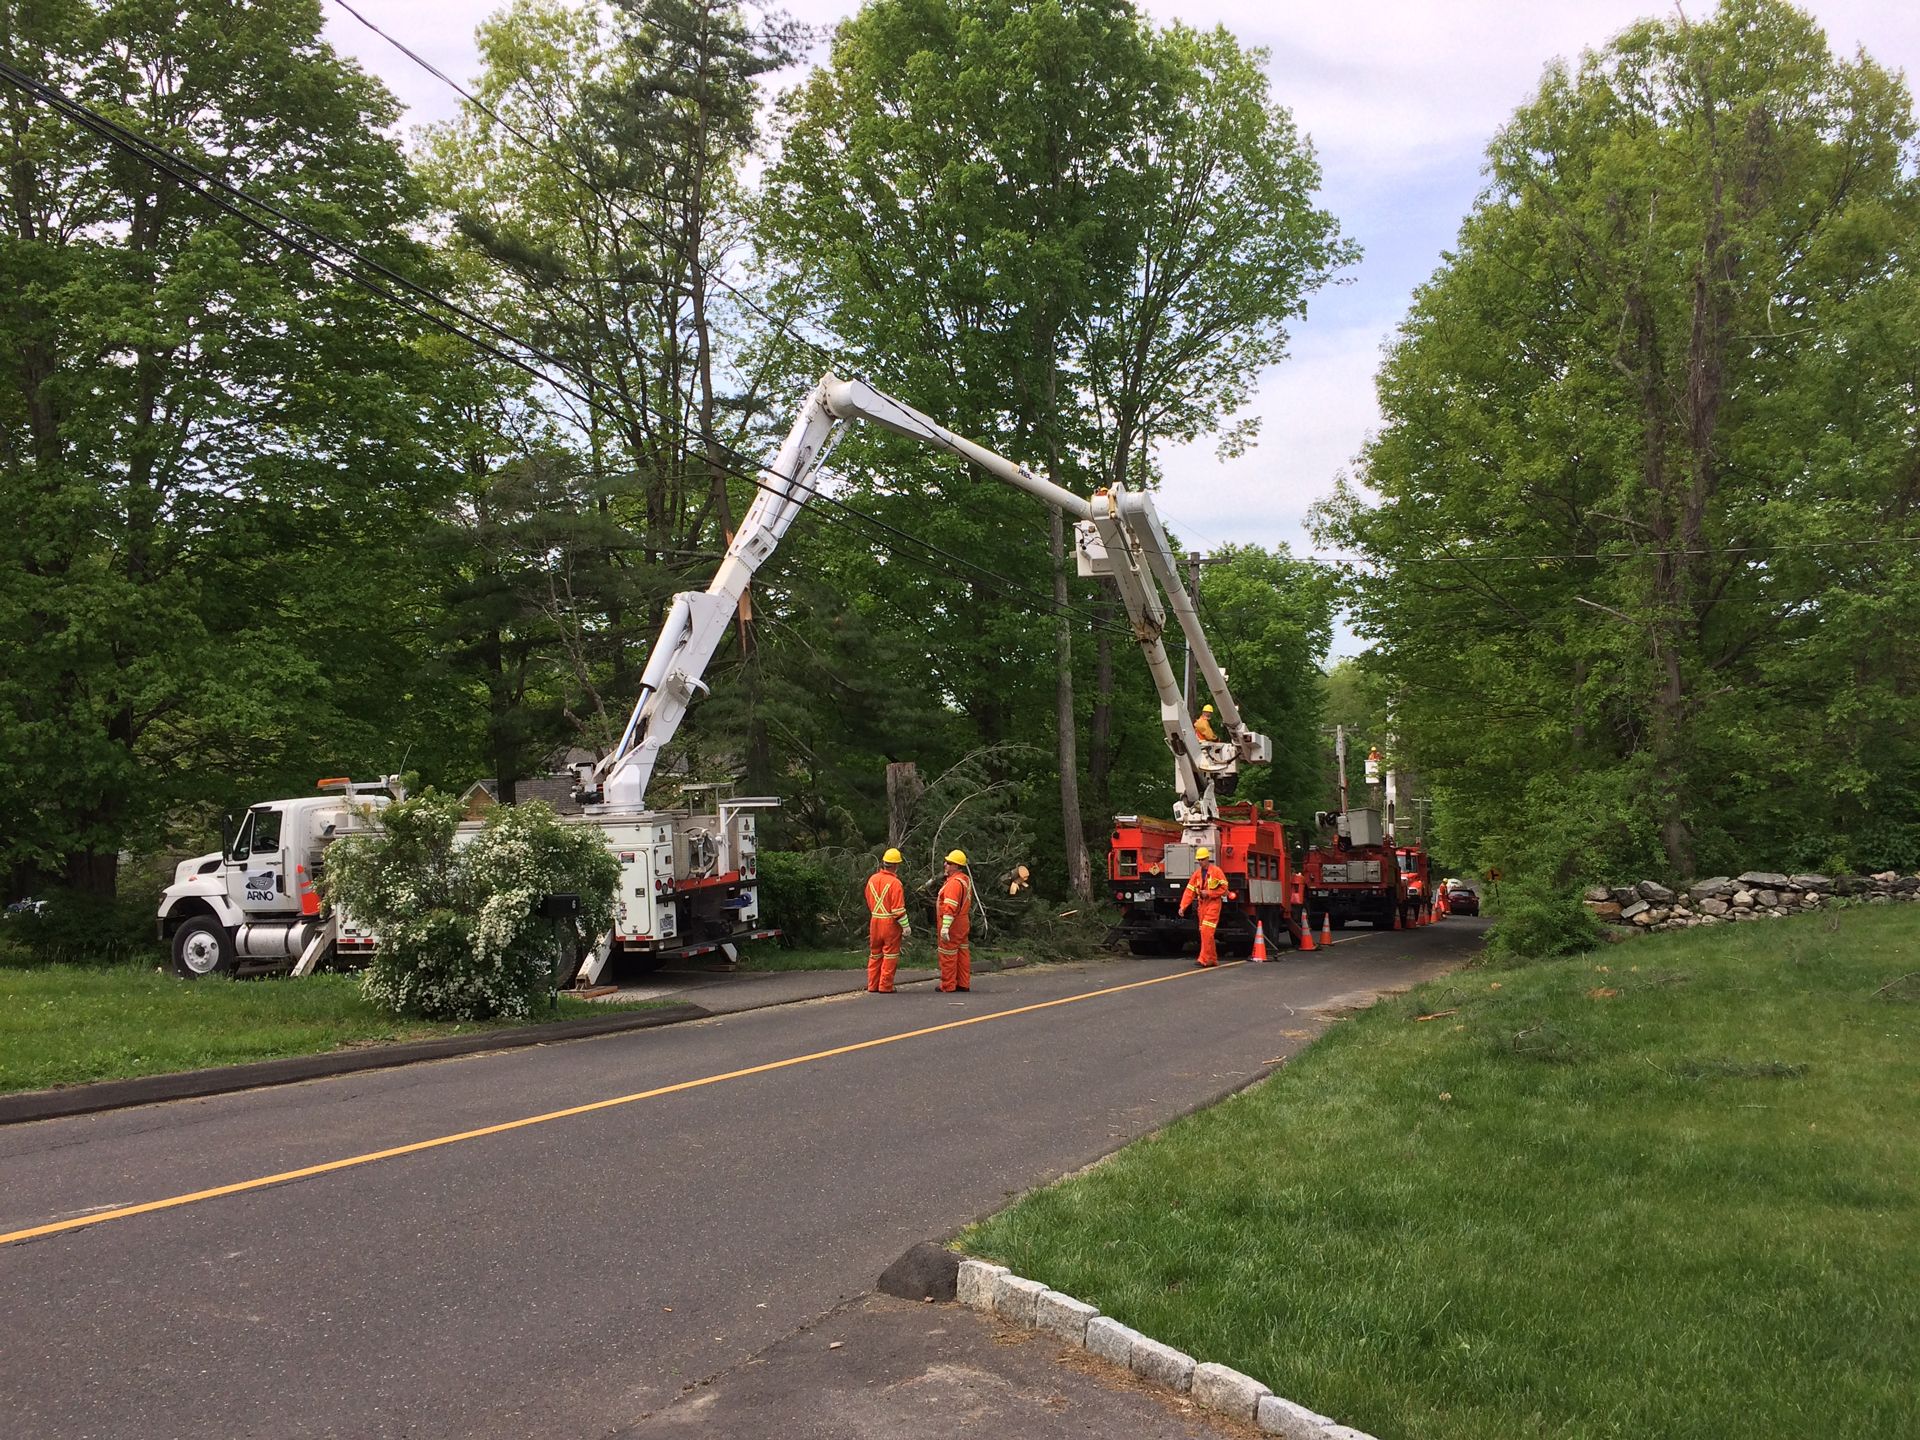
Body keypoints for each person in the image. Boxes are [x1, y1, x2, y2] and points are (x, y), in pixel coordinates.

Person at [864, 847, 909, 993]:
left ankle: (872, 985)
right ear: (896, 865)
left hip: (875, 920)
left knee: (875, 954)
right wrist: (906, 926)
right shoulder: (895, 883)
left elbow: (868, 899)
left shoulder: (872, 879)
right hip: (889, 924)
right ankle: (885, 986)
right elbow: (898, 910)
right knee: (890, 955)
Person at [1178, 845, 1231, 967]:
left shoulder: (1216, 871)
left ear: (1207, 858)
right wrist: (1183, 906)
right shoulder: (1197, 874)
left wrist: (1209, 893)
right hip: (1202, 906)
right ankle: (1212, 958)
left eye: (1202, 859)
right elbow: (1189, 891)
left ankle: (1204, 959)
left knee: (1207, 931)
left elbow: (1224, 889)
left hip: (1213, 904)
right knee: (1205, 932)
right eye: (1199, 860)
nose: (1200, 862)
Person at [936, 849, 973, 992]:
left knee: (948, 954)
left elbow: (950, 907)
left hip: (953, 923)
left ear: (956, 866)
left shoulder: (953, 884)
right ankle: (963, 983)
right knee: (962, 952)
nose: (945, 864)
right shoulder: (964, 879)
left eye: (949, 863)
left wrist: (945, 928)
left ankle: (948, 985)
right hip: (962, 921)